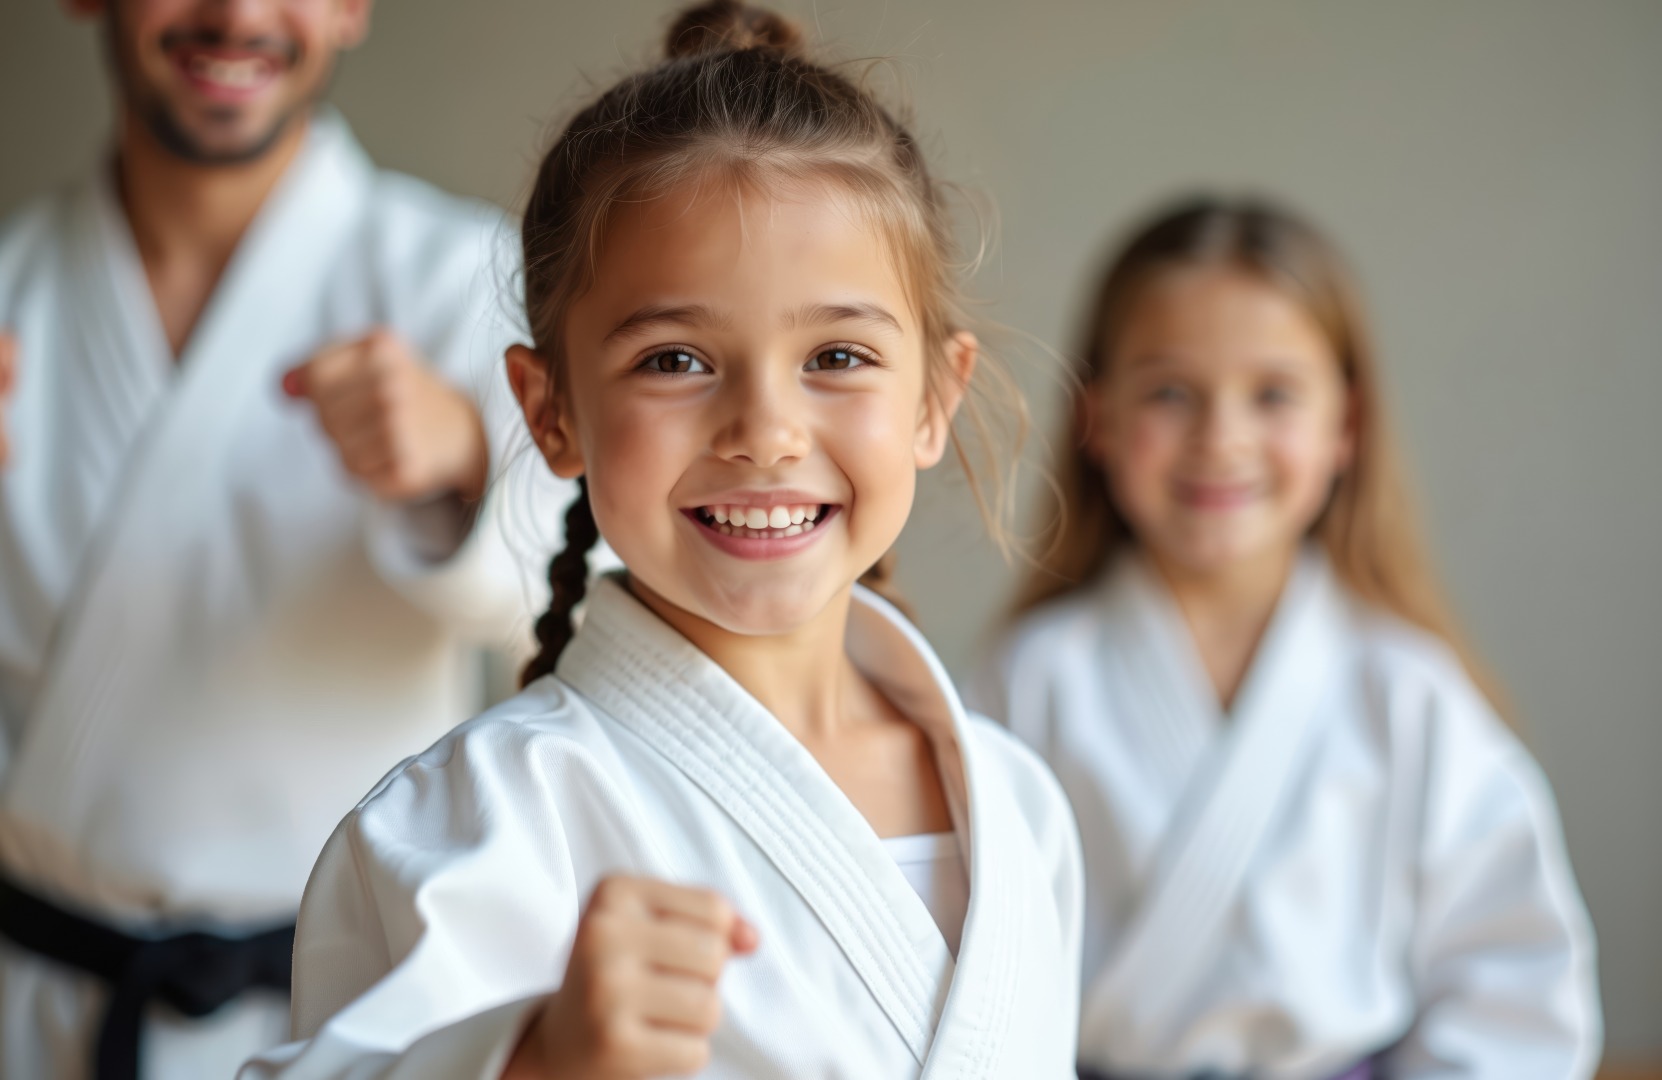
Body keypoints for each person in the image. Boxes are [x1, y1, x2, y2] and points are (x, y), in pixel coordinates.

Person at [240, 4, 1084, 1077]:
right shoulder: (481, 820)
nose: (767, 432)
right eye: (675, 360)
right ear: (550, 413)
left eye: (837, 356)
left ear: (934, 398)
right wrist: (536, 1061)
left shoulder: (1020, 809)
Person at [0, 1, 569, 1076]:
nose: (238, 13)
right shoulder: (15, 293)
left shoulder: (461, 284)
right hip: (36, 1010)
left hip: (344, 1014)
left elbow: (599, 615)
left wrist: (463, 466)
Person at [974, 197, 1601, 1079]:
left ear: (1346, 424)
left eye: (1273, 394)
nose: (1222, 439)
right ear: (1098, 417)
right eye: (1169, 392)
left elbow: (1511, 982)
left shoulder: (1408, 693)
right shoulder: (1030, 682)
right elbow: (969, 971)